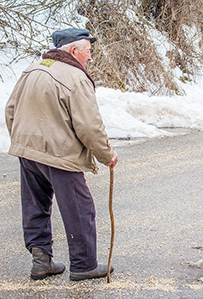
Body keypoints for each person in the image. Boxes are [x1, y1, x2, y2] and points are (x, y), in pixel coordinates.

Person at [5, 28, 118, 281]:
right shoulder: (75, 77)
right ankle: (84, 265)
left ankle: (41, 261)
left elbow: (10, 109)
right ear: (74, 50)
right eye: (88, 52)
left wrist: (23, 141)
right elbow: (89, 126)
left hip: (28, 150)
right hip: (59, 154)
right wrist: (106, 154)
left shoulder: (32, 69)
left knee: (36, 206)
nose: (90, 58)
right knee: (80, 208)